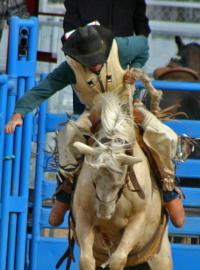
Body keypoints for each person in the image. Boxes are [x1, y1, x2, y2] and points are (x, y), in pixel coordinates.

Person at [5, 24, 184, 228]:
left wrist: (134, 70)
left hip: (127, 106)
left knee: (167, 136)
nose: (95, 65)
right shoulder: (70, 68)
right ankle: (64, 190)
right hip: (95, 112)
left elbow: (143, 45)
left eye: (98, 59)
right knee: (68, 134)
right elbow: (43, 89)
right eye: (89, 61)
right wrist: (19, 113)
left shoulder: (121, 48)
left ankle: (168, 187)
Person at [63, 0, 151, 113]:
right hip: (87, 69)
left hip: (123, 69)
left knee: (128, 122)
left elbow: (141, 27)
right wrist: (80, 66)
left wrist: (135, 67)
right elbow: (70, 32)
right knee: (86, 122)